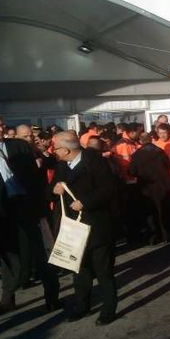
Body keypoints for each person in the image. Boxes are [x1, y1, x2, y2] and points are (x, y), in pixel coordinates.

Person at [0, 112, 60, 316]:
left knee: (39, 252)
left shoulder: (19, 146)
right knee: (8, 256)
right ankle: (7, 300)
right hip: (1, 211)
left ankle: (52, 296)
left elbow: (35, 178)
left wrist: (39, 203)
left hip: (26, 206)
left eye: (2, 125)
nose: (0, 129)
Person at [51, 131, 118, 325]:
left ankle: (108, 309)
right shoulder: (62, 165)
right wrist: (54, 190)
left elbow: (108, 189)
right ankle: (82, 306)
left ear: (66, 149)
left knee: (103, 270)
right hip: (73, 227)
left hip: (96, 225)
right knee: (79, 270)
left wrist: (85, 202)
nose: (54, 151)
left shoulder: (94, 161)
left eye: (56, 148)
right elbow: (50, 191)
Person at [130, 132, 170, 244]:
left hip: (146, 188)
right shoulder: (160, 151)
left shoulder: (137, 155)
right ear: (151, 140)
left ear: (141, 141)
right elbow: (168, 166)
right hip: (162, 186)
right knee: (163, 209)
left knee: (150, 212)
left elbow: (132, 171)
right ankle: (166, 234)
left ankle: (154, 236)